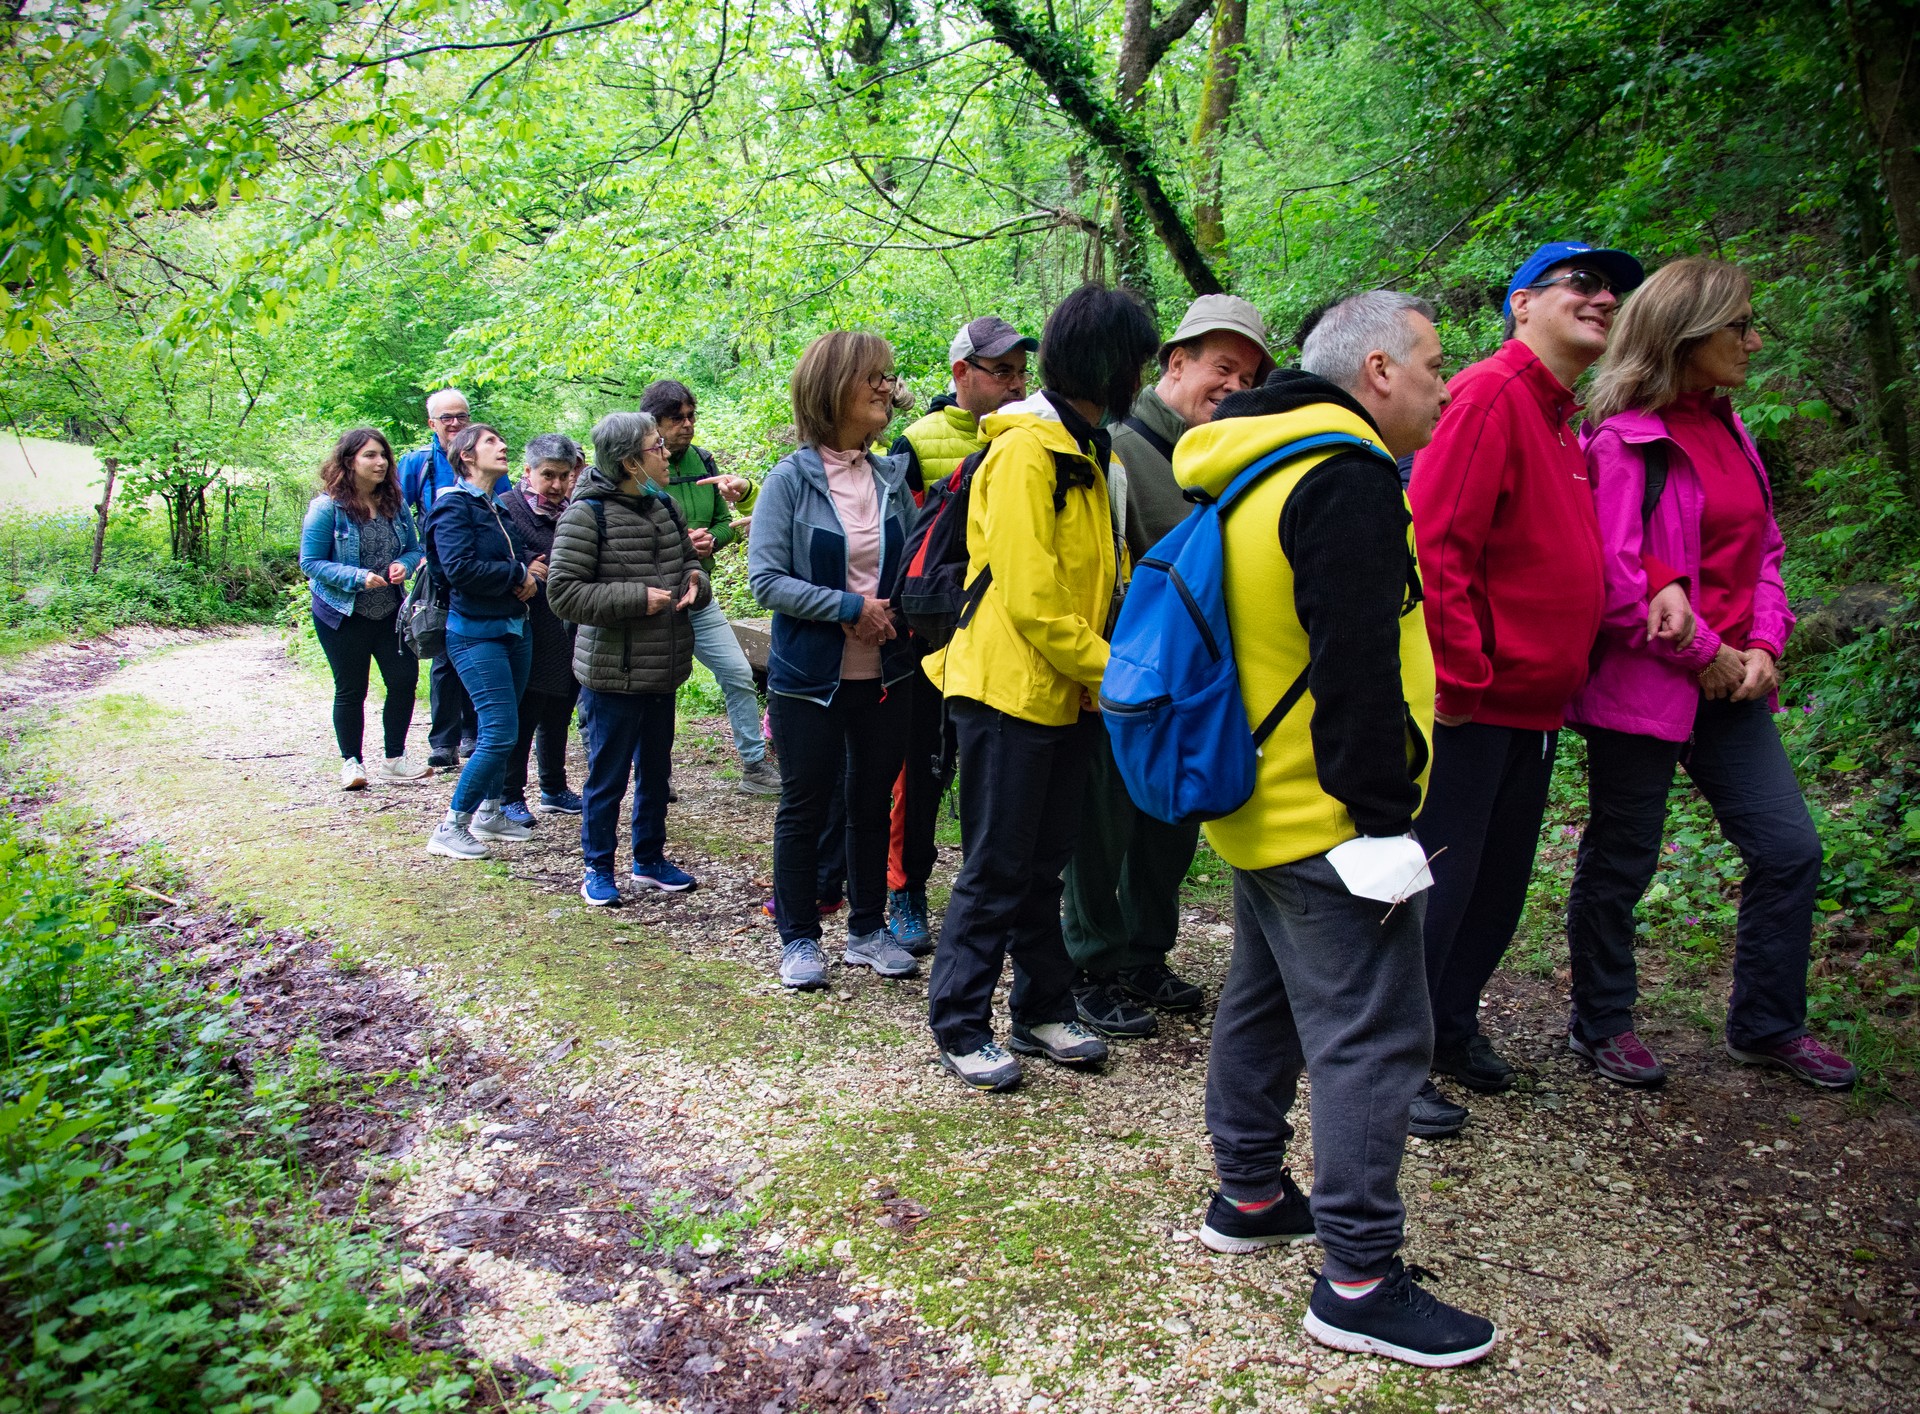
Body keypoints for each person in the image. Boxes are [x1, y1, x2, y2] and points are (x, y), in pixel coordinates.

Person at [1188, 290, 1496, 1368]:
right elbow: (1357, 665)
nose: (1444, 384)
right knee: (1375, 1037)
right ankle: (1359, 1280)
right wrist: (1383, 824)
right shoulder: (1347, 476)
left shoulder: (1247, 464)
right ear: (1374, 371)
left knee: (1264, 1001)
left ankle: (1251, 1190)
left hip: (1255, 801)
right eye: (1431, 363)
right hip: (1329, 817)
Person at [1406, 241, 1694, 1138]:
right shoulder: (1492, 393)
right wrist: (1459, 676)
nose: (1605, 298)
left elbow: (1582, 545)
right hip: (1478, 700)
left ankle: (1450, 1028)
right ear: (1522, 303)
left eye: (1615, 289)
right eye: (1583, 284)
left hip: (1537, 703)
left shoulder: (1561, 416)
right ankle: (1395, 1057)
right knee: (1443, 883)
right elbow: (1439, 538)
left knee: (1497, 884)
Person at [1564, 258, 1855, 1089]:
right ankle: (1603, 1021)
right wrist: (1708, 654)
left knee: (1789, 849)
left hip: (1733, 684)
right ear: (1685, 336)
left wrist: (1763, 645)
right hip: (1648, 685)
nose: (1753, 341)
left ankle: (1767, 1025)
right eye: (1739, 326)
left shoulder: (1731, 429)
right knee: (1625, 858)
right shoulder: (1623, 441)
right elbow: (1618, 584)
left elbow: (1765, 550)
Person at [921, 284, 1157, 1092]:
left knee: (1044, 865)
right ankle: (958, 1022)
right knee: (996, 865)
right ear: (1110, 363)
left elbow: (1103, 578)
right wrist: (1118, 674)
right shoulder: (1028, 450)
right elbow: (1030, 595)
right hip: (1005, 692)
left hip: (1071, 694)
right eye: (1137, 359)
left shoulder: (1096, 448)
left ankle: (1039, 1009)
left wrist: (1102, 676)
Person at [1064, 294, 1272, 1038]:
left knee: (1168, 828)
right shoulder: (1116, 446)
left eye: (1248, 378)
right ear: (1175, 362)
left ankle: (1143, 954)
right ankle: (1088, 967)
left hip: (1193, 691)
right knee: (1106, 831)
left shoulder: (1216, 463)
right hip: (1123, 685)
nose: (1234, 388)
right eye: (1222, 367)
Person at [748, 332, 923, 988]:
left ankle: (868, 931)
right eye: (871, 377)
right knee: (806, 802)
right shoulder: (790, 481)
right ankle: (798, 938)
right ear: (833, 389)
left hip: (887, 673)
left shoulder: (890, 476)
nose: (885, 387)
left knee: (871, 800)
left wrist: (904, 607)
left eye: (887, 375)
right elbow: (766, 579)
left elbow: (910, 567)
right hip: (808, 678)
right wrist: (852, 609)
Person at [883, 315, 1039, 951]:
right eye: (1000, 371)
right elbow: (904, 546)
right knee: (917, 772)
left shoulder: (1033, 437)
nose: (1014, 384)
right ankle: (904, 888)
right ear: (962, 374)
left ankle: (992, 901)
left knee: (989, 778)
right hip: (931, 640)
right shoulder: (915, 445)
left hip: (1004, 639)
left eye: (1020, 373)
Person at [546, 412, 709, 905]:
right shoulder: (586, 515)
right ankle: (597, 868)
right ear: (630, 462)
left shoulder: (665, 507)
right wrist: (637, 599)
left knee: (656, 773)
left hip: (665, 668)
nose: (665, 453)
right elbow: (563, 594)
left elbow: (690, 564)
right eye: (656, 446)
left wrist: (697, 583)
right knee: (608, 777)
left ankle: (649, 860)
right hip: (611, 675)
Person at [639, 380, 782, 797]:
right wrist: (683, 541)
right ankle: (653, 776)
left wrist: (712, 540)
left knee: (738, 672)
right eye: (676, 418)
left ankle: (754, 767)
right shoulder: (636, 466)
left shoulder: (703, 461)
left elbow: (725, 523)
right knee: (657, 688)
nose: (687, 425)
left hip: (698, 590)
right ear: (654, 423)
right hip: (651, 596)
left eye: (691, 416)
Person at [422, 424, 547, 860]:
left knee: (505, 730)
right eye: (491, 442)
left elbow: (509, 557)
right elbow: (457, 570)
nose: (504, 446)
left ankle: (490, 813)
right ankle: (450, 825)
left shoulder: (495, 507)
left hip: (513, 628)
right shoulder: (453, 507)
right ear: (467, 456)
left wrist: (527, 569)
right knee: (498, 731)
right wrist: (518, 576)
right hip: (475, 634)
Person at [298, 428, 431, 790]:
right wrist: (357, 576)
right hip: (342, 613)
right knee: (351, 689)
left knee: (404, 680)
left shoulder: (396, 504)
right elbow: (310, 563)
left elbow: (414, 548)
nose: (381, 462)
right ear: (349, 461)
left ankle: (395, 758)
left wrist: (405, 562)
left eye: (383, 455)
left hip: (390, 609)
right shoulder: (327, 508)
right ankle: (351, 763)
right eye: (370, 455)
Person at [400, 389, 507, 769]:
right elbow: (398, 512)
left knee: (480, 651)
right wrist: (415, 557)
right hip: (439, 575)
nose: (455, 423)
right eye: (447, 417)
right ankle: (444, 740)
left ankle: (474, 734)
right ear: (432, 423)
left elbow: (505, 510)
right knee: (444, 657)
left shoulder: (488, 462)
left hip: (482, 572)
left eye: (461, 416)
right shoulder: (418, 463)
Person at [496, 435, 584, 827]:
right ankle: (509, 795)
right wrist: (526, 563)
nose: (557, 485)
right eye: (548, 475)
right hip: (529, 627)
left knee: (558, 712)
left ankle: (553, 787)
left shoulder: (575, 508)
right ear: (527, 471)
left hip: (569, 629)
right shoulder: (506, 508)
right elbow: (501, 554)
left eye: (564, 476)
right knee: (524, 714)